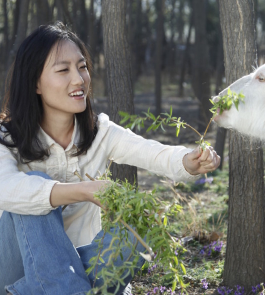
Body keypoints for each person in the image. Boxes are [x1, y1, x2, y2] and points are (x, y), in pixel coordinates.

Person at [0, 22, 220, 295]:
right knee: (31, 189)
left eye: (82, 67)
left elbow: (152, 151)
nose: (79, 79)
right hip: (13, 266)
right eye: (63, 70)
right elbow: (5, 188)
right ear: (35, 82)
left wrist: (189, 160)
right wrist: (83, 191)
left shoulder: (99, 132)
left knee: (139, 224)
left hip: (81, 263)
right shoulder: (6, 138)